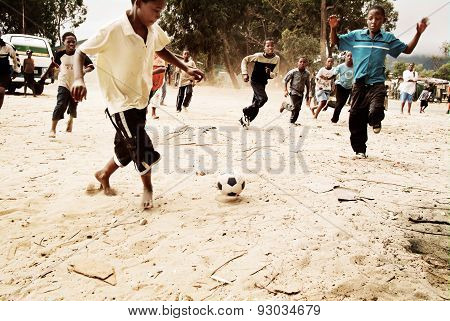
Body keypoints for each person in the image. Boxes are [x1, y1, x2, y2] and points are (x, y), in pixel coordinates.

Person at [71, 0, 204, 209]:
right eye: (156, 10)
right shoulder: (113, 29)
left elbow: (161, 49)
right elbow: (81, 51)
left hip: (141, 97)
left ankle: (103, 174)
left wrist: (185, 68)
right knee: (139, 145)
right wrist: (79, 79)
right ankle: (148, 189)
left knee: (125, 146)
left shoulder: (153, 28)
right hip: (120, 101)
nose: (158, 15)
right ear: (138, 3)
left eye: (162, 10)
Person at [329, 5, 428, 158]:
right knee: (355, 116)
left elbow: (407, 50)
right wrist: (333, 29)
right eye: (370, 18)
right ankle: (360, 150)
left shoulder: (387, 39)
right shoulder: (356, 36)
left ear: (383, 21)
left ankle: (375, 120)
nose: (373, 22)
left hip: (377, 83)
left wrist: (418, 33)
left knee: (376, 110)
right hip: (359, 84)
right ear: (366, 20)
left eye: (378, 19)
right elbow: (337, 42)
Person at [49, 32, 95, 137]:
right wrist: (48, 75)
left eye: (73, 42)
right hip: (63, 83)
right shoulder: (59, 54)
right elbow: (54, 65)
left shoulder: (80, 54)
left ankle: (70, 120)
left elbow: (91, 66)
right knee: (61, 105)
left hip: (76, 84)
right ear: (63, 42)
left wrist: (84, 71)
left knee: (73, 105)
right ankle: (52, 129)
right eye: (68, 41)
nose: (71, 44)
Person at [239, 39, 280, 129]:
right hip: (255, 81)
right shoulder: (258, 56)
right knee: (263, 98)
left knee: (257, 103)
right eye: (268, 46)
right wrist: (245, 73)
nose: (270, 47)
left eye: (272, 46)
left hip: (263, 83)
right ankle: (246, 110)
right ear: (264, 48)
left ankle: (245, 119)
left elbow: (275, 74)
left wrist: (269, 73)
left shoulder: (276, 59)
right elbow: (245, 60)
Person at [280, 57, 310, 126]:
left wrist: (308, 93)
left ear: (306, 64)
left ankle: (292, 121)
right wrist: (285, 90)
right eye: (301, 62)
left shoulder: (307, 73)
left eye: (304, 62)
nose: (302, 63)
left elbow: (308, 84)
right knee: (295, 107)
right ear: (298, 63)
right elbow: (285, 80)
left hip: (301, 93)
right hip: (293, 91)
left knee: (298, 109)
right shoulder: (293, 72)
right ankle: (284, 105)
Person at [331, 51, 354, 123]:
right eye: (348, 56)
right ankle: (334, 119)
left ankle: (330, 103)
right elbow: (334, 75)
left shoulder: (356, 67)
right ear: (345, 57)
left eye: (351, 56)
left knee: (342, 103)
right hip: (340, 85)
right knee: (339, 102)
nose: (350, 57)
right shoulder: (341, 66)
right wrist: (330, 81)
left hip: (348, 87)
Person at [0, 34, 20, 110]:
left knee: (1, 92)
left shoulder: (8, 47)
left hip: (3, 74)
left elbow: (16, 58)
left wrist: (16, 71)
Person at [149, 53, 166, 119]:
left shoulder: (163, 55)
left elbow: (164, 67)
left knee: (157, 95)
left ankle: (153, 113)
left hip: (160, 76)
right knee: (147, 95)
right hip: (150, 74)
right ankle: (144, 109)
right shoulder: (150, 51)